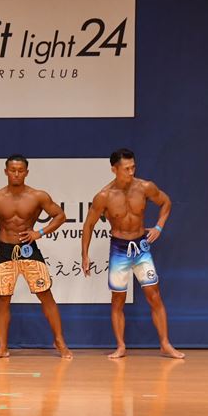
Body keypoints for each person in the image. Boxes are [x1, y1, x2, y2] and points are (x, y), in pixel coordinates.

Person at [0, 154, 72, 360]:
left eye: (20, 170)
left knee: (45, 294)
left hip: (29, 249)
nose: (16, 174)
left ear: (26, 172)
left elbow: (60, 215)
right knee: (2, 298)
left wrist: (40, 232)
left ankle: (59, 341)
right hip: (5, 250)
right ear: (6, 171)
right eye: (12, 170)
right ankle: (2, 347)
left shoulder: (38, 196)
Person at [81, 148, 184, 359]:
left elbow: (166, 202)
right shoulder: (104, 196)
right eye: (126, 168)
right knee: (118, 300)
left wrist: (159, 227)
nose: (131, 172)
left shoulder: (145, 187)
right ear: (114, 169)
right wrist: (85, 255)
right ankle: (120, 346)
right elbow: (88, 225)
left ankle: (165, 344)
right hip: (119, 248)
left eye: (133, 167)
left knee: (154, 295)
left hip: (141, 247)